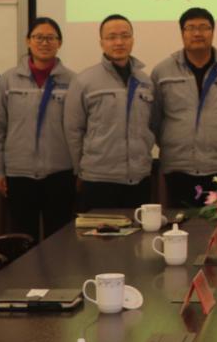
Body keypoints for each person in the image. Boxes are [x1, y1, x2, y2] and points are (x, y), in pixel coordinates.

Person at [151, 7, 217, 207]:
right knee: (179, 223)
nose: (197, 33)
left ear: (213, 32)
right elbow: (154, 119)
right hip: (178, 167)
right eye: (191, 28)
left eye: (204, 27)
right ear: (182, 33)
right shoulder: (162, 71)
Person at [0, 17, 76, 240]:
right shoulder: (8, 80)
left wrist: (80, 170)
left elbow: (80, 129)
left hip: (60, 172)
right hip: (19, 174)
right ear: (28, 41)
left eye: (50, 38)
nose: (44, 43)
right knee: (23, 240)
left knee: (60, 240)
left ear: (59, 43)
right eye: (38, 37)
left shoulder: (73, 81)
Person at [63, 14, 159, 211]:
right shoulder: (84, 81)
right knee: (99, 231)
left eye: (125, 36)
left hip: (139, 178)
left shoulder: (145, 81)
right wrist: (81, 169)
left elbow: (152, 125)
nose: (119, 42)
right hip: (99, 179)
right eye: (111, 37)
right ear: (101, 43)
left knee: (137, 231)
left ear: (133, 40)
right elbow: (73, 130)